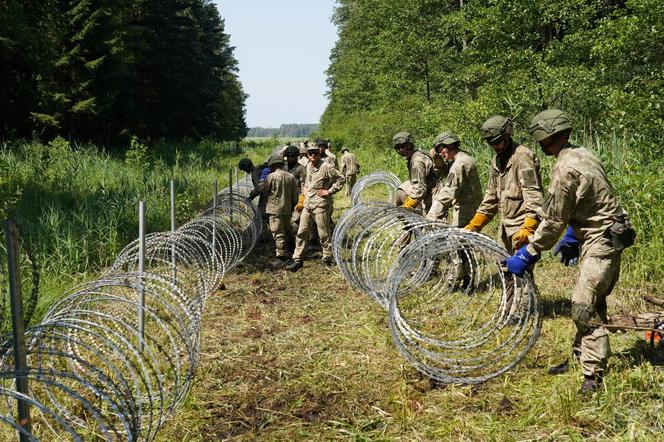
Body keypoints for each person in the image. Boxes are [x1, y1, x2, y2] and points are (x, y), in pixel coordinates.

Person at [505, 109, 635, 394]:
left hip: (602, 239)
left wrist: (529, 252)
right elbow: (592, 200)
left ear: (546, 138)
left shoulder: (565, 169)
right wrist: (574, 235)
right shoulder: (581, 153)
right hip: (602, 232)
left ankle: (593, 376)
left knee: (582, 305)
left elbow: (553, 220)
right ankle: (582, 357)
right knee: (593, 300)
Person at [426, 132, 483, 289]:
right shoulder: (466, 159)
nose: (441, 155)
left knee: (457, 246)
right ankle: (468, 281)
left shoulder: (459, 164)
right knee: (464, 246)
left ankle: (457, 279)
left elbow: (448, 191)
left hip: (466, 210)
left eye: (440, 151)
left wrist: (433, 212)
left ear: (445, 149)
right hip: (470, 207)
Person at [287, 144, 345, 271]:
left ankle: (327, 258)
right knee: (302, 231)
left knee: (323, 233)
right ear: (307, 155)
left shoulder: (326, 167)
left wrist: (329, 191)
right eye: (310, 153)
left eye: (315, 153)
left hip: (320, 204)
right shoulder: (308, 166)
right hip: (308, 204)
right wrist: (304, 193)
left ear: (319, 154)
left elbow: (341, 178)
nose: (313, 155)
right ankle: (297, 259)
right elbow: (308, 182)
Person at [256, 154, 298, 262]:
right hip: (287, 209)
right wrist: (292, 206)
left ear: (272, 164)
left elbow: (264, 190)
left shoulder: (271, 176)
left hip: (274, 209)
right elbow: (295, 195)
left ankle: (281, 255)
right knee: (287, 229)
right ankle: (292, 249)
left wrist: (261, 182)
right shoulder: (290, 176)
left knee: (278, 232)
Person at [392, 132, 438, 215]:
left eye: (403, 146)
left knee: (431, 225)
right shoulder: (416, 155)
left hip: (433, 194)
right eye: (397, 147)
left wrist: (408, 206)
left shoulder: (417, 162)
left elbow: (419, 189)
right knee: (402, 190)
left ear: (409, 145)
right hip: (428, 190)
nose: (400, 150)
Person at [284, 145, 306, 237]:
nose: (290, 159)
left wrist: (301, 200)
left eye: (292, 157)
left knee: (295, 220)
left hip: (296, 199)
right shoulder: (283, 167)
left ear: (297, 157)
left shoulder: (301, 169)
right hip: (284, 198)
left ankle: (297, 240)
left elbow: (303, 185)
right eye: (288, 157)